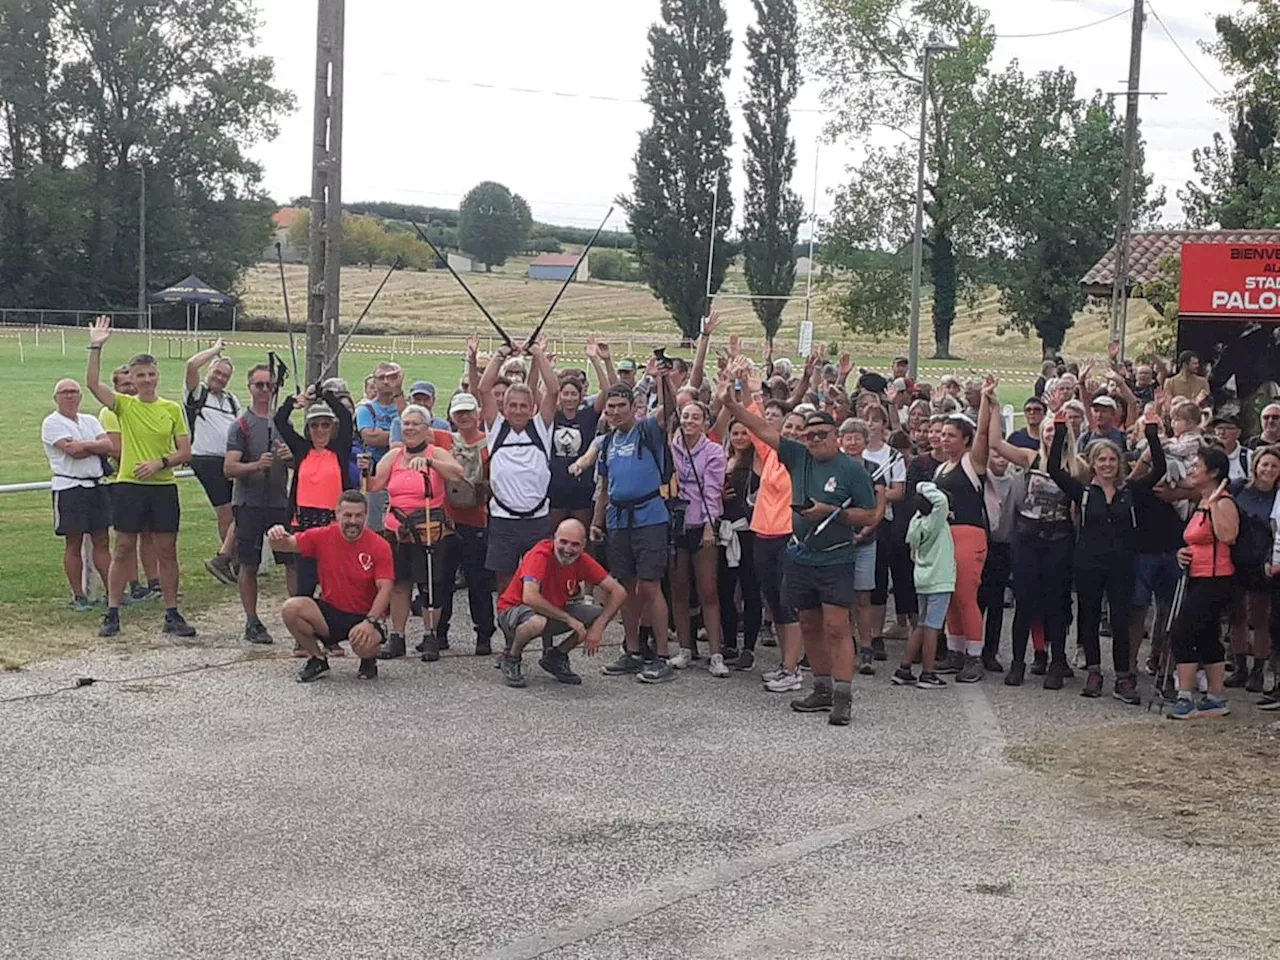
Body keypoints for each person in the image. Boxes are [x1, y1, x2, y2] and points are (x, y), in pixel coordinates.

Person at [723, 391, 877, 726]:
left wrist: (833, 514)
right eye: (810, 436)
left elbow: (868, 515)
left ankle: (843, 695)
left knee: (837, 626)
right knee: (807, 622)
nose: (816, 440)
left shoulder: (852, 470)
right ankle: (820, 687)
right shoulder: (797, 455)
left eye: (822, 434)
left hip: (836, 557)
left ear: (835, 435)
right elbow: (763, 429)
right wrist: (733, 405)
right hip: (801, 553)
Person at [85, 317, 196, 639]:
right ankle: (113, 611)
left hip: (163, 487)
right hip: (130, 486)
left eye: (151, 374)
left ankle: (172, 613)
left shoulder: (172, 408)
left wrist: (160, 462)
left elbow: (185, 451)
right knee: (123, 548)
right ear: (132, 379)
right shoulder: (124, 406)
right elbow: (93, 384)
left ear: (158, 376)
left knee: (167, 550)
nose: (147, 380)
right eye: (140, 376)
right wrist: (96, 345)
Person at [1048, 404, 1166, 702]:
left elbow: (1160, 469)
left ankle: (1124, 677)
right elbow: (1052, 469)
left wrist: (1152, 432)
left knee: (1121, 620)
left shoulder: (1131, 491)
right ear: (1092, 463)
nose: (1107, 464)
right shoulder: (1084, 491)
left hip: (1123, 563)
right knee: (1088, 616)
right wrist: (1062, 429)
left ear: (1120, 463)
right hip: (1088, 561)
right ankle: (1094, 671)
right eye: (1102, 459)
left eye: (1112, 459)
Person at [984, 398, 1074, 686]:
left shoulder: (1078, 466)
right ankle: (1018, 663)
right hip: (1028, 536)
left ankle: (1057, 661)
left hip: (1059, 537)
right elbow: (996, 443)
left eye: (1054, 431)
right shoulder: (1031, 458)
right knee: (1024, 600)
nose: (1050, 435)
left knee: (1057, 602)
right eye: (1046, 431)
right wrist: (995, 408)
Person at [591, 381, 676, 683]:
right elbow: (604, 487)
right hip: (617, 520)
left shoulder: (647, 430)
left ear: (633, 407)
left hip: (650, 517)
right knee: (624, 588)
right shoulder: (607, 442)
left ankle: (663, 655)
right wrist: (597, 522)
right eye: (610, 407)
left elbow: (670, 410)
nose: (614, 412)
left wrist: (665, 380)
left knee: (650, 587)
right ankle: (633, 651)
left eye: (620, 406)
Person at [368, 404, 464, 662]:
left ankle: (430, 634)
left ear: (426, 428)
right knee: (399, 585)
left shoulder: (437, 452)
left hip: (429, 529)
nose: (409, 428)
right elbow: (375, 485)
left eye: (415, 424)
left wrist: (431, 463)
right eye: (406, 424)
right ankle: (397, 637)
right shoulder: (394, 457)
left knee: (430, 585)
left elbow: (458, 474)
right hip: (397, 530)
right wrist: (367, 470)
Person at [269, 491, 393, 683]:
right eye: (347, 515)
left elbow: (385, 588)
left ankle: (368, 660)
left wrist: (370, 621)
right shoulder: (323, 535)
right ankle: (317, 658)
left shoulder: (380, 546)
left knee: (364, 644)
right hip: (331, 611)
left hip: (364, 613)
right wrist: (275, 534)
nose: (353, 521)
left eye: (358, 515)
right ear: (337, 514)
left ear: (366, 515)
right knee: (291, 608)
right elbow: (284, 545)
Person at [495, 519, 628, 687]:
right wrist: (569, 619)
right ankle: (512, 658)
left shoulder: (583, 561)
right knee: (537, 621)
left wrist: (599, 626)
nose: (568, 550)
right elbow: (530, 597)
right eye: (563, 542)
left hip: (552, 611)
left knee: (596, 613)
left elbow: (619, 591)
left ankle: (556, 657)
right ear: (554, 538)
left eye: (575, 545)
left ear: (583, 545)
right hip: (514, 610)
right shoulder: (540, 554)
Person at [223, 364, 296, 645]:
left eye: (269, 385)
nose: (265, 390)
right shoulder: (240, 425)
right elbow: (229, 467)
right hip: (249, 503)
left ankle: (298, 613)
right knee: (249, 563)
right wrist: (255, 465)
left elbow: (299, 462)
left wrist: (290, 458)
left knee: (291, 561)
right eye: (259, 385)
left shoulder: (283, 424)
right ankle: (252, 620)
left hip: (280, 502)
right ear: (250, 387)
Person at [479, 344, 557, 598]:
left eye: (524, 406)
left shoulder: (541, 428)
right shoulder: (496, 427)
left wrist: (538, 355)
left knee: (541, 582)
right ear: (505, 406)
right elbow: (483, 388)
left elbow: (553, 390)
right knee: (504, 584)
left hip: (538, 520)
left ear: (532, 407)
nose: (518, 410)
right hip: (504, 521)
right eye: (513, 405)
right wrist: (500, 354)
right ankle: (510, 634)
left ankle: (542, 634)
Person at [1168, 449, 1239, 719]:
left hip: (1216, 578)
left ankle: (1186, 696)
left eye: (1197, 466)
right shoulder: (1202, 500)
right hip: (1198, 576)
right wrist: (1181, 554)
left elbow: (1227, 535)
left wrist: (1214, 501)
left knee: (1182, 631)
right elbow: (1194, 539)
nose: (1192, 469)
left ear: (1213, 472)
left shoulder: (1222, 502)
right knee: (1208, 635)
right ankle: (1215, 697)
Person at [274, 387, 356, 604]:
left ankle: (331, 631)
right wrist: (293, 401)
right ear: (308, 429)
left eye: (325, 424)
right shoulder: (302, 449)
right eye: (314, 425)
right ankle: (304, 631)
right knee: (305, 584)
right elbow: (280, 421)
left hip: (332, 526)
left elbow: (347, 418)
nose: (320, 430)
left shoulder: (340, 449)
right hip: (305, 526)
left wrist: (325, 395)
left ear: (332, 427)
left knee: (333, 584)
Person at [934, 390, 993, 682]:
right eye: (943, 434)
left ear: (965, 440)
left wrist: (985, 400)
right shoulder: (940, 468)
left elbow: (982, 433)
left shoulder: (972, 463)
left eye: (951, 435)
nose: (945, 439)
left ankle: (974, 655)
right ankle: (955, 650)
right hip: (944, 536)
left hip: (969, 535)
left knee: (965, 595)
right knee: (949, 594)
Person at [433, 390, 497, 656]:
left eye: (469, 412)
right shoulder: (444, 439)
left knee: (478, 581)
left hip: (477, 519)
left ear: (478, 414)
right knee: (442, 579)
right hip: (447, 519)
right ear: (451, 417)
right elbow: (411, 424)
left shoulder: (489, 443)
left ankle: (484, 634)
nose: (464, 417)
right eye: (459, 413)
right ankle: (439, 632)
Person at [670, 400, 729, 676]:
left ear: (705, 422)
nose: (690, 421)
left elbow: (713, 491)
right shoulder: (673, 447)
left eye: (695, 417)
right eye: (685, 416)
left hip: (701, 524)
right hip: (676, 525)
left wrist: (709, 526)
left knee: (708, 591)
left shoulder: (714, 451)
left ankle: (715, 653)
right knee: (679, 590)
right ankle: (684, 648)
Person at [42, 379, 113, 611]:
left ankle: (112, 592)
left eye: (73, 392)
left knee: (102, 540)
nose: (70, 396)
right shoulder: (51, 423)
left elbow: (108, 445)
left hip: (96, 486)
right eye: (65, 392)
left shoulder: (90, 420)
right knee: (73, 542)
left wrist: (85, 445)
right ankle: (79, 595)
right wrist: (93, 445)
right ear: (56, 398)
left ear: (80, 396)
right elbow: (72, 452)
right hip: (69, 487)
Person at [99, 365, 160, 602]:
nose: (130, 388)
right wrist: (146, 461)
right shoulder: (110, 411)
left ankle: (154, 581)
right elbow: (116, 448)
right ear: (115, 388)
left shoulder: (144, 408)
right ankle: (134, 584)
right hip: (122, 480)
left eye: (131, 383)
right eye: (124, 385)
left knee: (149, 533)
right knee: (127, 537)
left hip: (150, 479)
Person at [184, 339, 240, 585]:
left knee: (239, 510)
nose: (220, 378)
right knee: (227, 512)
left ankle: (232, 560)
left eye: (225, 375)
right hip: (206, 459)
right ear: (209, 372)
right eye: (217, 372)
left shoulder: (231, 401)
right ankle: (226, 561)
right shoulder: (197, 393)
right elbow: (191, 365)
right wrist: (215, 351)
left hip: (230, 460)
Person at [1225, 447, 1280, 693]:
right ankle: (1239, 668)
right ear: (1255, 465)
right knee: (1236, 617)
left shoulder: (1278, 497)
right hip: (1235, 560)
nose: (1267, 470)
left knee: (1259, 619)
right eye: (1264, 464)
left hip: (1263, 564)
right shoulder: (1238, 488)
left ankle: (1258, 670)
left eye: (1273, 466)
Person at [895, 482, 955, 688]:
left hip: (922, 578)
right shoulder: (936, 521)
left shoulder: (916, 521)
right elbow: (941, 501)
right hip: (939, 578)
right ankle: (928, 672)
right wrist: (925, 486)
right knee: (933, 626)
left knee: (921, 623)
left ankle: (904, 668)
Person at [718, 419, 763, 670]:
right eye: (734, 433)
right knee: (725, 589)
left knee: (750, 589)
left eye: (744, 432)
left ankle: (749, 647)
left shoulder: (757, 462)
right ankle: (730, 641)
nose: (739, 437)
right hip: (725, 531)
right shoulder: (724, 460)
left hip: (749, 531)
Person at [548, 364, 605, 531]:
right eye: (565, 394)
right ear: (559, 396)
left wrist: (597, 359)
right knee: (555, 535)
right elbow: (540, 394)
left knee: (582, 535)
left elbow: (607, 390)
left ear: (581, 396)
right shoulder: (553, 416)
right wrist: (544, 363)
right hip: (556, 484)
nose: (569, 398)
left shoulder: (588, 415)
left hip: (582, 486)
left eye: (574, 394)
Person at [356, 361, 406, 532]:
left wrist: (383, 433)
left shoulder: (403, 405)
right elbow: (370, 437)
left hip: (401, 471)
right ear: (374, 382)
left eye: (390, 377)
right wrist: (398, 434)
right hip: (376, 472)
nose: (386, 382)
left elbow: (412, 426)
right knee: (375, 524)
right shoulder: (366, 409)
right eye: (381, 378)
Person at [1212, 416, 1250, 482]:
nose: (1222, 432)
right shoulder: (1206, 456)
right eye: (1219, 428)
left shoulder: (1248, 456)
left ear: (1238, 433)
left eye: (1228, 428)